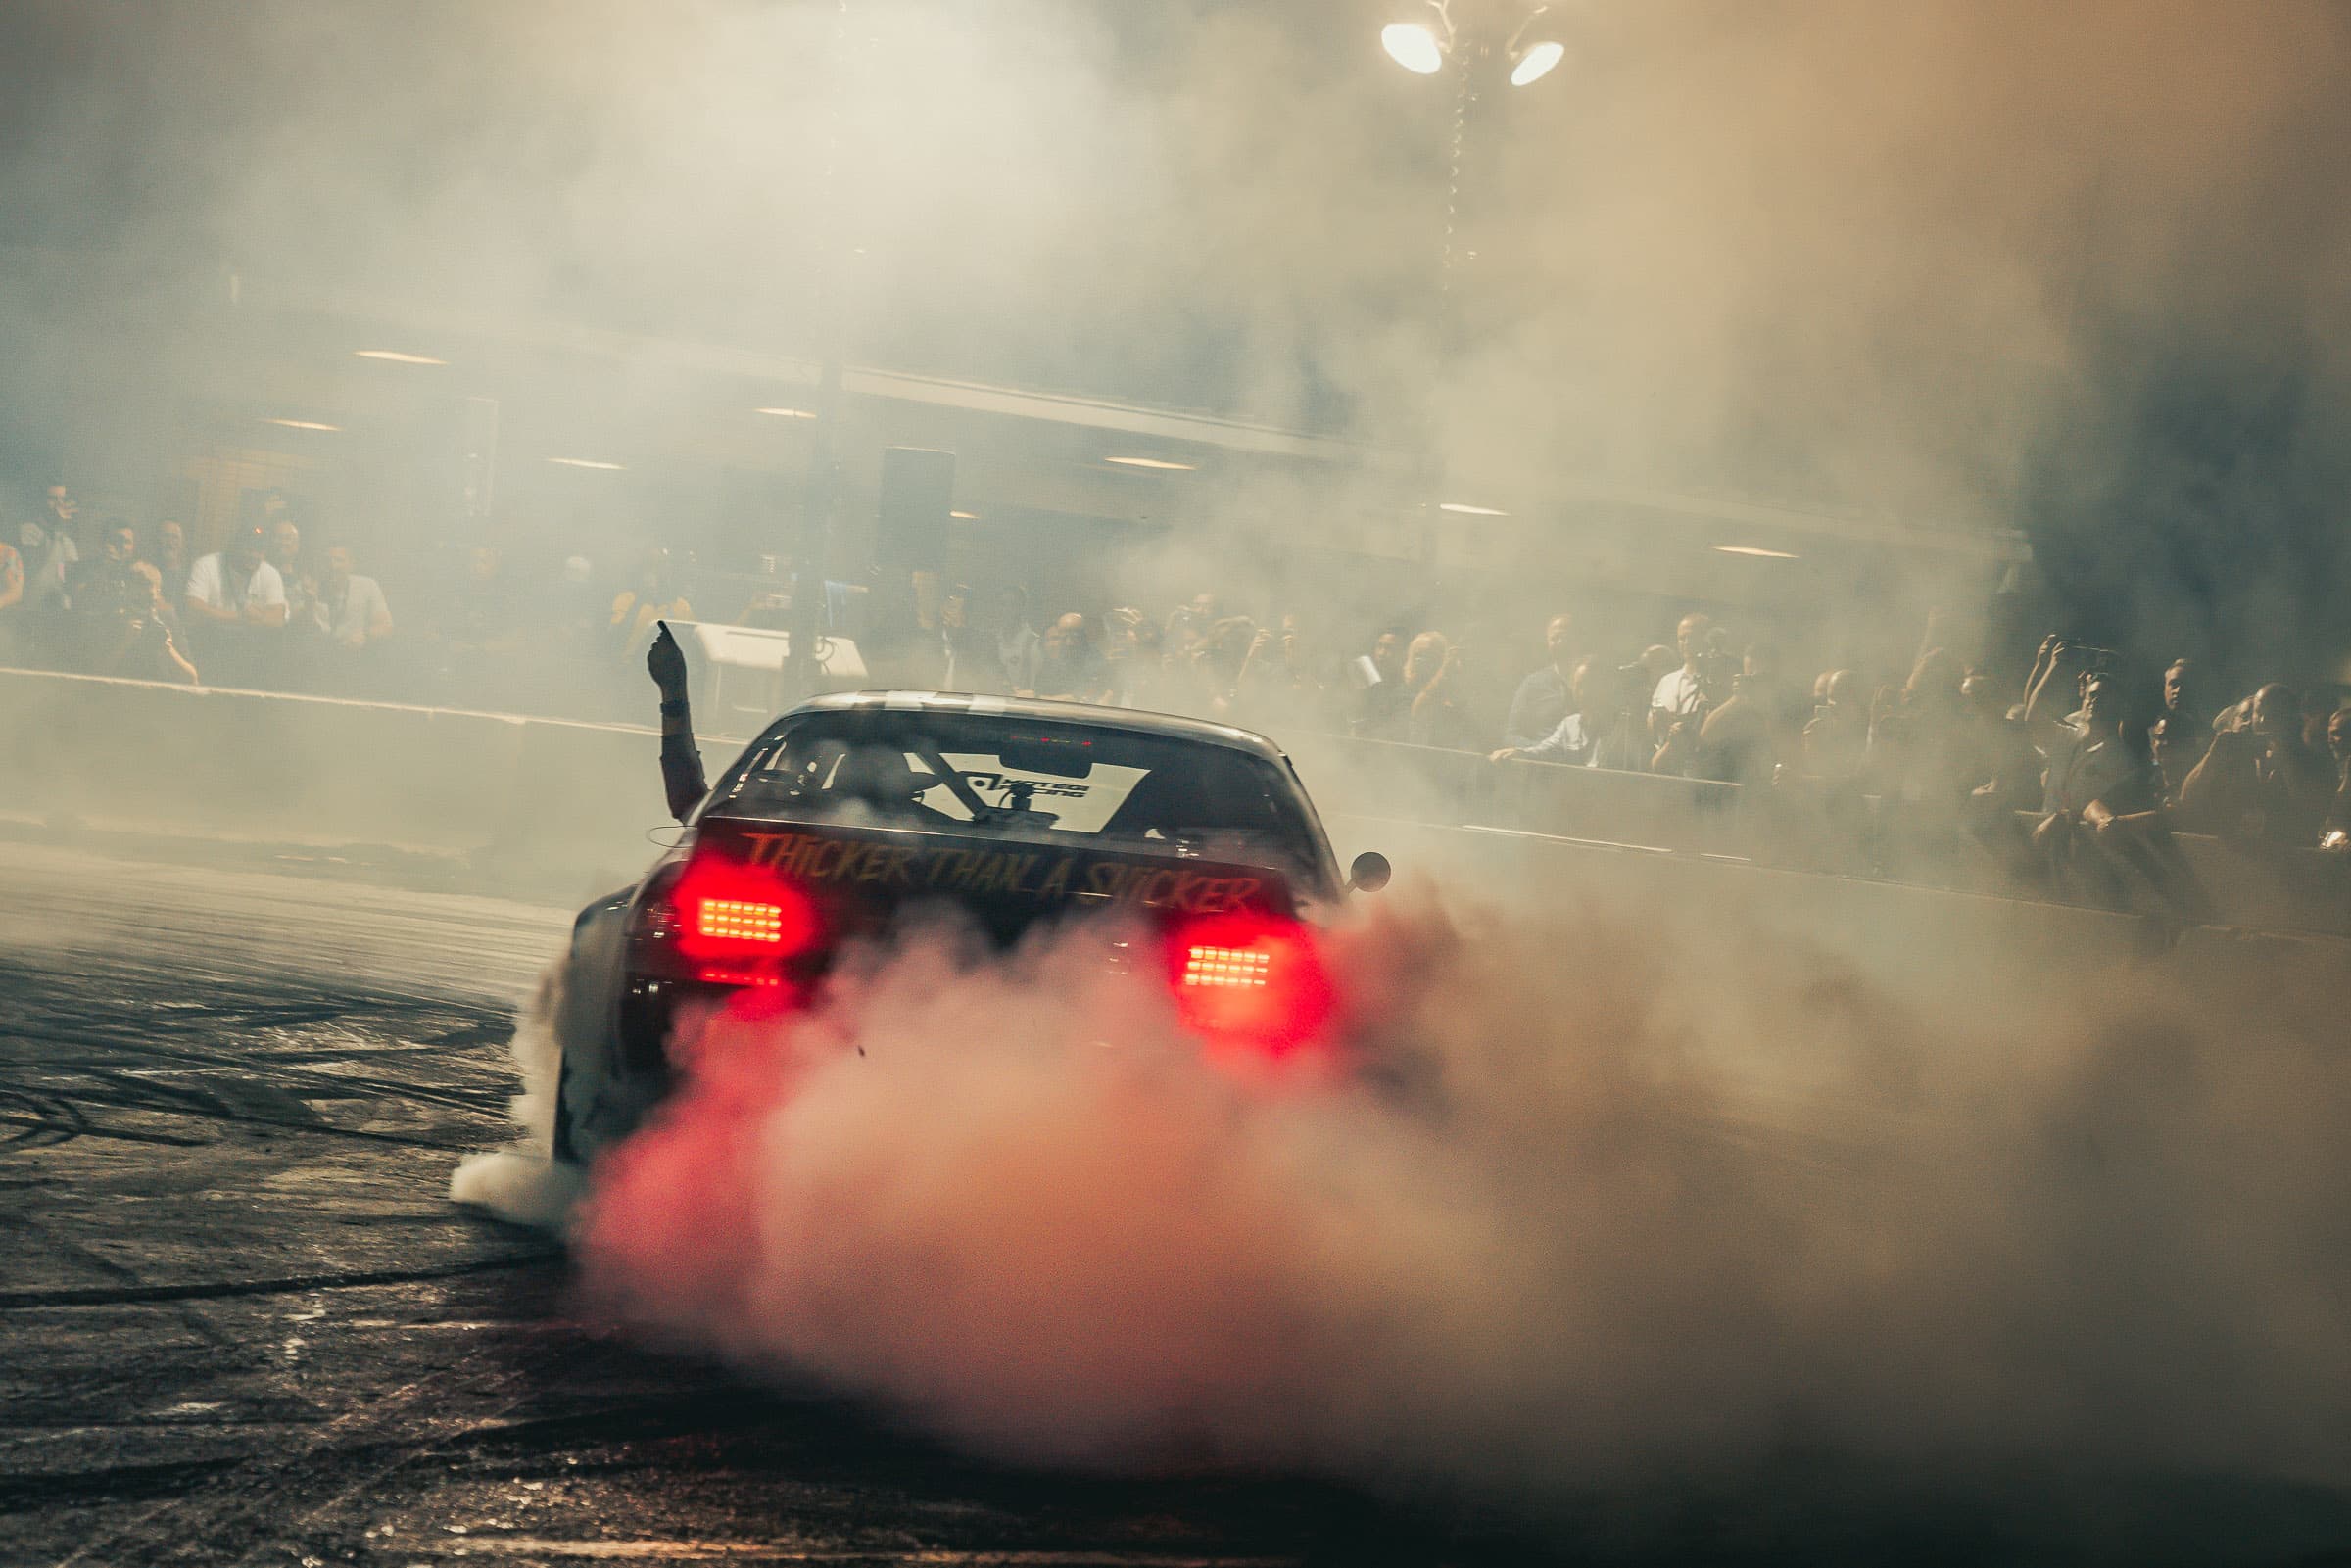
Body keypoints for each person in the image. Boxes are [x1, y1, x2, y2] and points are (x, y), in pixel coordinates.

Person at [2179, 682, 2335, 844]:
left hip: (2290, 854)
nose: (2263, 720)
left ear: (2292, 719)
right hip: (2233, 852)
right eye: (2259, 713)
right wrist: (2213, 756)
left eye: (2274, 715)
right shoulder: (2235, 757)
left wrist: (2285, 759)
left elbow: (2315, 811)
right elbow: (2188, 798)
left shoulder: (2312, 760)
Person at [182, 525, 286, 686]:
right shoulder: (206, 565)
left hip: (249, 651)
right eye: (249, 549)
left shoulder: (270, 573)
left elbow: (278, 619)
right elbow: (193, 610)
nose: (254, 555)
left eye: (259, 551)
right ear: (235, 547)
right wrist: (241, 618)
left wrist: (257, 617)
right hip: (209, 644)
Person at [1492, 654, 1600, 766]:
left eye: (1590, 686)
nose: (1583, 693)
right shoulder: (1569, 724)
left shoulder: (1613, 727)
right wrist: (1519, 753)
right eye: (1579, 685)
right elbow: (1543, 751)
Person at [1502, 613, 1577, 749]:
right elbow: (1512, 736)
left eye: (1565, 637)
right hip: (1542, 761)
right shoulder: (1533, 683)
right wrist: (1540, 751)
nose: (1560, 642)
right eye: (1554, 638)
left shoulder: (1595, 681)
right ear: (1547, 643)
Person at [2145, 658, 2211, 805]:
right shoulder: (2153, 733)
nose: (2178, 691)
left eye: (2185, 685)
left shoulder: (2209, 738)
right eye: (2173, 684)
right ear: (2165, 689)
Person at [609, 549, 692, 657]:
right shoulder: (626, 600)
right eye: (651, 568)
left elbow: (689, 644)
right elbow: (614, 638)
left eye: (661, 569)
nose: (656, 576)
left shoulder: (681, 606)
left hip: (667, 667)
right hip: (629, 665)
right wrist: (639, 602)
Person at [1649, 612, 1715, 740]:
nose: (1686, 643)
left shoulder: (1715, 682)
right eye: (1682, 638)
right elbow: (1651, 726)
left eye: (1692, 637)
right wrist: (1658, 722)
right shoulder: (1666, 681)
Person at [989, 585, 1041, 695]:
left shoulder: (1034, 643)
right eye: (1002, 604)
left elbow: (1037, 686)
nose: (1005, 610)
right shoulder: (992, 640)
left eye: (1012, 604)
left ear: (1022, 608)